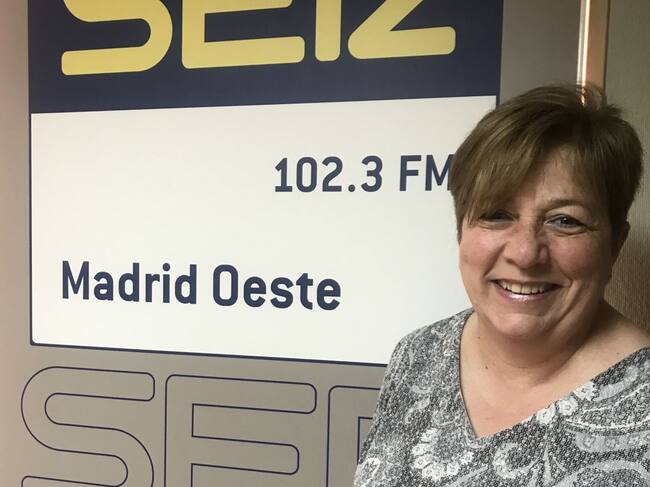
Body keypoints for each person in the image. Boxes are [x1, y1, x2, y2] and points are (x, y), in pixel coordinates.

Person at [354, 85, 650, 486]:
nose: (525, 253)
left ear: (615, 245)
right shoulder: (417, 355)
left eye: (565, 220)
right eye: (496, 214)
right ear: (461, 228)